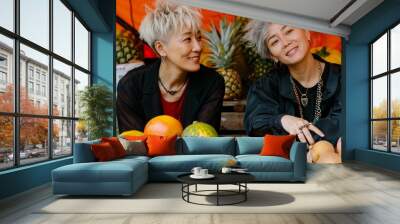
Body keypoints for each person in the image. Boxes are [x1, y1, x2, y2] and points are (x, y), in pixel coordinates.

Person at [117, 0, 225, 133]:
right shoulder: (131, 85)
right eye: (187, 39)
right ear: (161, 48)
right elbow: (134, 142)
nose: (198, 47)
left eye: (198, 38)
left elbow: (203, 138)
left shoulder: (212, 82)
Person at [244, 20, 342, 163]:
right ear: (272, 55)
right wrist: (283, 120)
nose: (285, 42)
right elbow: (255, 124)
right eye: (274, 42)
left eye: (289, 31)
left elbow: (343, 122)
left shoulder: (342, 77)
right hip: (291, 163)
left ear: (307, 32)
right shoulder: (264, 86)